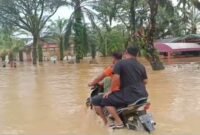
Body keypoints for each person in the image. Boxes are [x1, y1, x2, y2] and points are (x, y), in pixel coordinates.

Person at [91, 47, 148, 128]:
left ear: (126, 52)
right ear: (137, 54)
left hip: (129, 96)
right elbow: (145, 81)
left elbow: (116, 78)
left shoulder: (120, 63)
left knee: (106, 99)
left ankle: (118, 122)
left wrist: (111, 91)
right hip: (143, 96)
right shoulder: (141, 66)